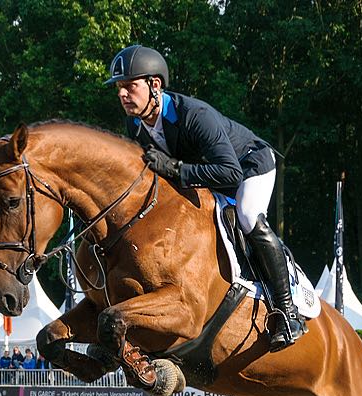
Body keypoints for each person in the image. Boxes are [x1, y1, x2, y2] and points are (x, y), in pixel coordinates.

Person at [105, 45, 305, 351]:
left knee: (248, 216)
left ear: (154, 85)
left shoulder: (194, 115)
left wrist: (175, 168)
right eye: (119, 88)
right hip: (206, 178)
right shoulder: (135, 124)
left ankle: (288, 311)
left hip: (249, 166)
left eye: (130, 86)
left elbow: (230, 174)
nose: (122, 95)